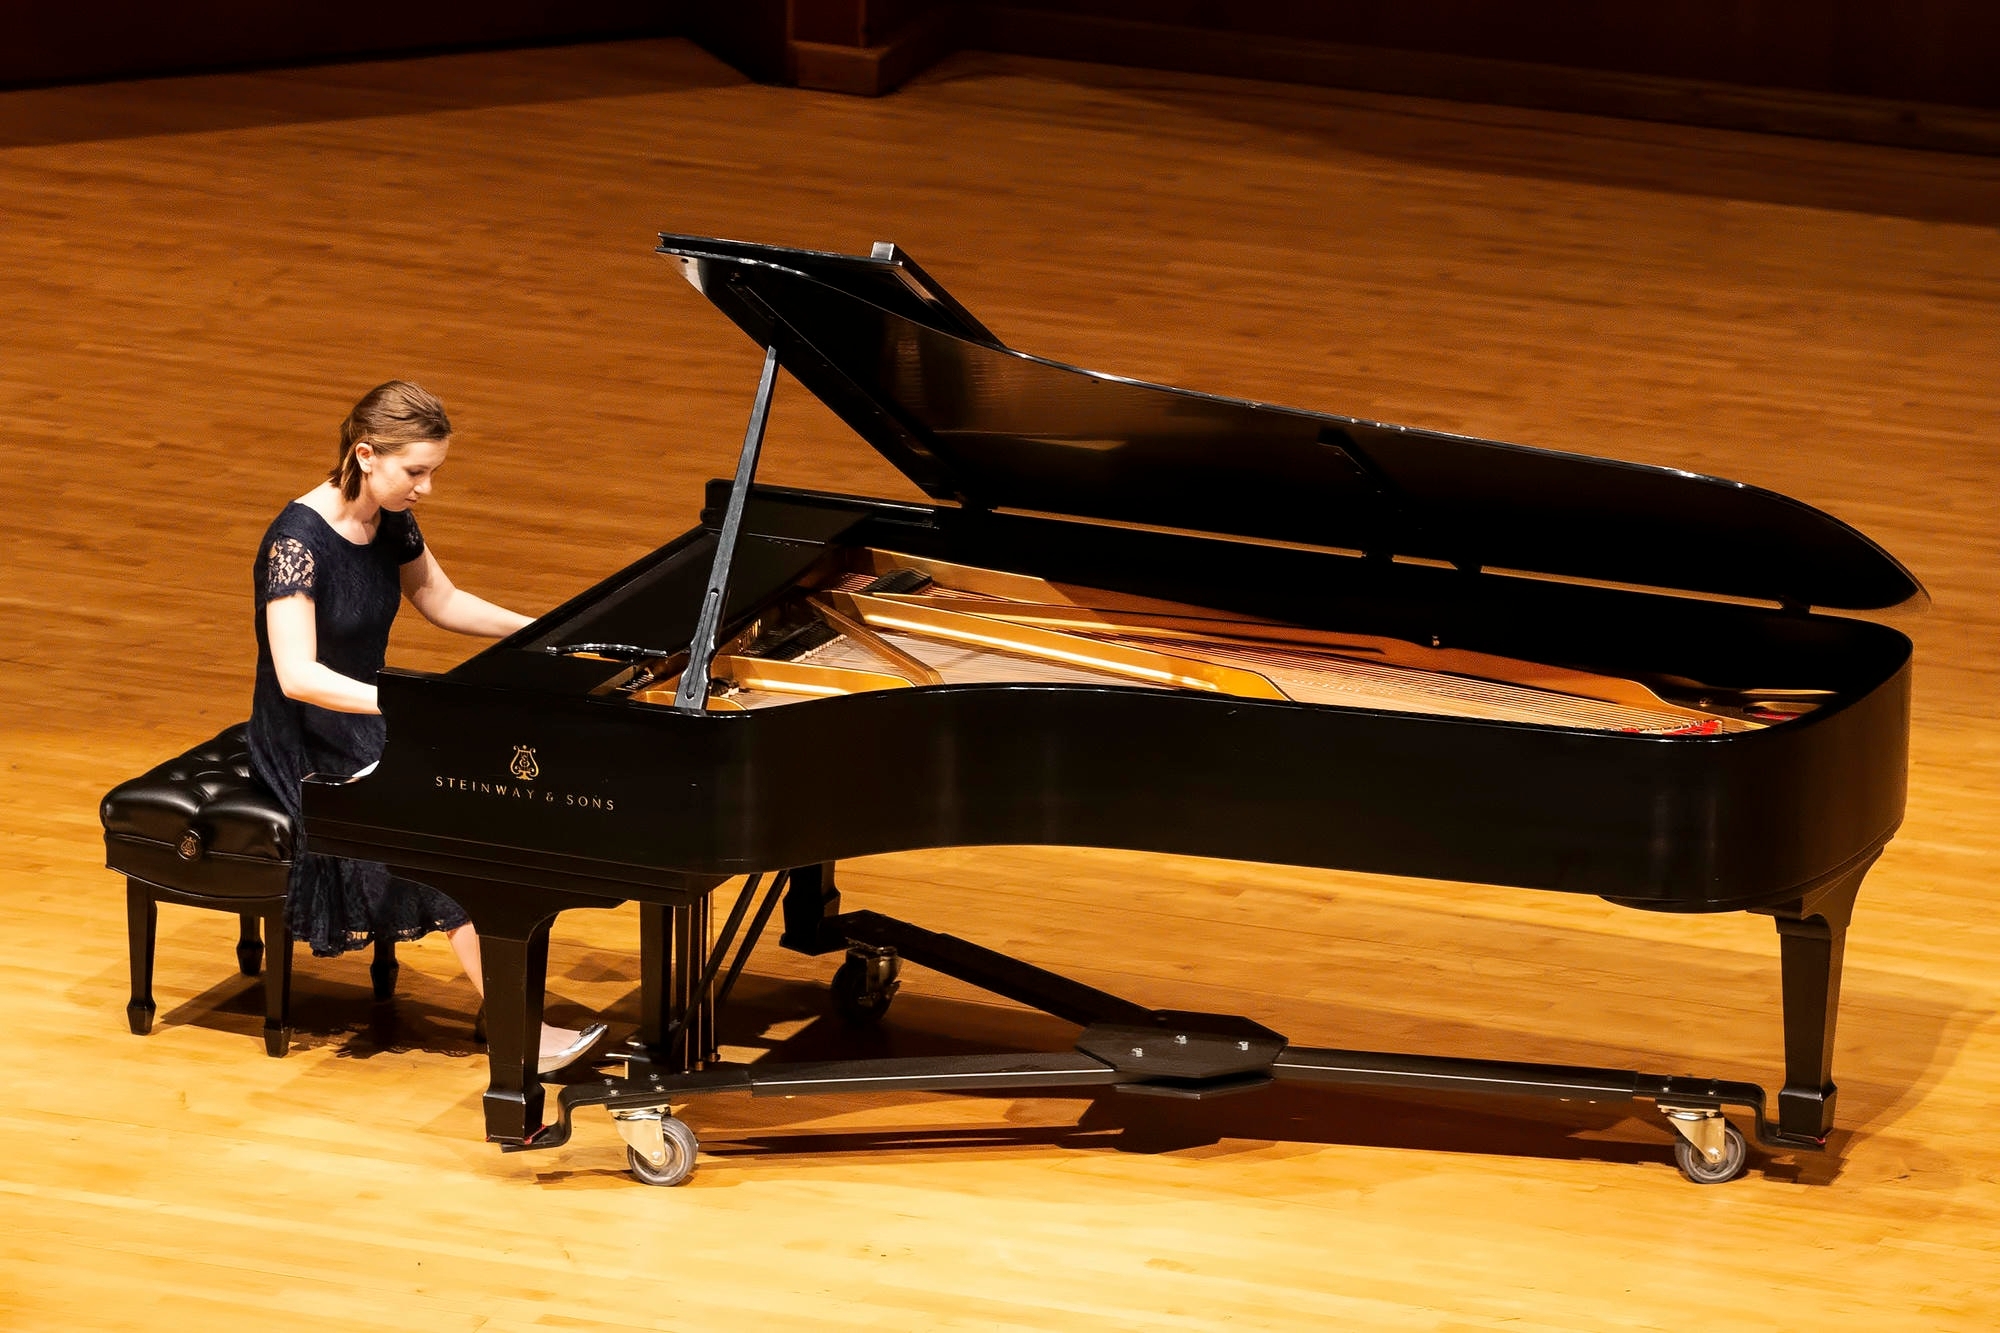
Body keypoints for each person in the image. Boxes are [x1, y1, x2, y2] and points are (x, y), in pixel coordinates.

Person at [248, 380, 605, 1074]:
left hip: (369, 713)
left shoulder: (390, 520)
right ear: (365, 455)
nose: (427, 488)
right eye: (416, 471)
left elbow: (440, 599)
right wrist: (399, 706)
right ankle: (519, 1030)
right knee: (439, 842)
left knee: (493, 810)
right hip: (307, 736)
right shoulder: (295, 544)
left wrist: (544, 634)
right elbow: (297, 676)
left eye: (433, 470)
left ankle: (506, 997)